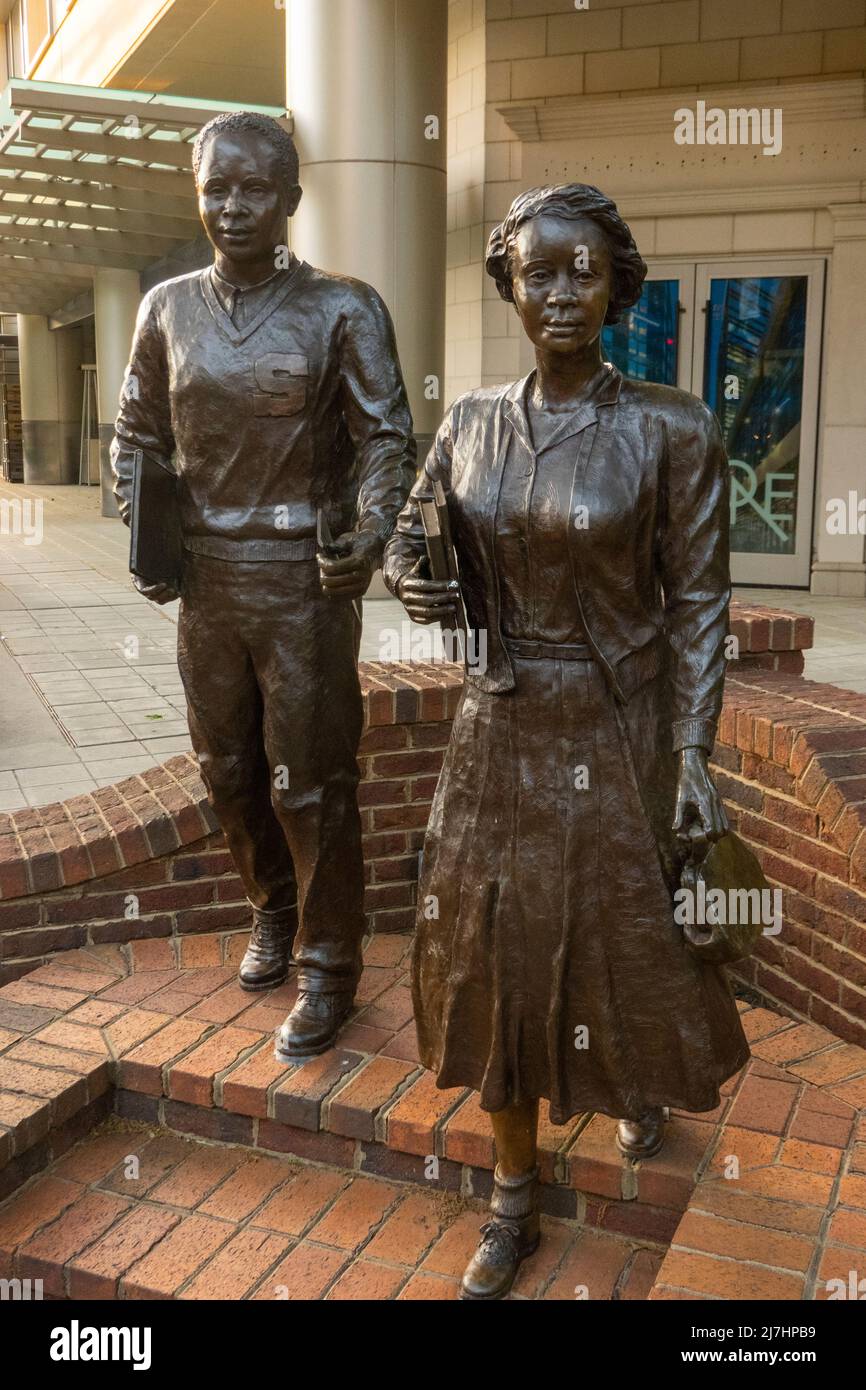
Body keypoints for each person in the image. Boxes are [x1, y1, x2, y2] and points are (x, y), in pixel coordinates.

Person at [383, 183, 751, 1300]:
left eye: (579, 270)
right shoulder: (472, 419)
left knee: (620, 932)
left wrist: (690, 750)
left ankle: (632, 1084)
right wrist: (415, 575)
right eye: (536, 271)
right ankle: (510, 1187)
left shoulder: (669, 425)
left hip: (620, 719)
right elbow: (411, 530)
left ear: (614, 284)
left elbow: (696, 604)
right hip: (497, 722)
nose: (557, 291)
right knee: (489, 944)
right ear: (508, 283)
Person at [112, 111, 415, 1058]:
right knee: (230, 772)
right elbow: (135, 435)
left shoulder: (344, 308)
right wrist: (145, 528)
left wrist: (369, 532)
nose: (232, 208)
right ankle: (272, 909)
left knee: (311, 785)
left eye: (252, 189)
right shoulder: (165, 308)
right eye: (216, 189)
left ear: (289, 196)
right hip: (207, 584)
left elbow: (387, 439)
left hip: (303, 588)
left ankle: (331, 966)